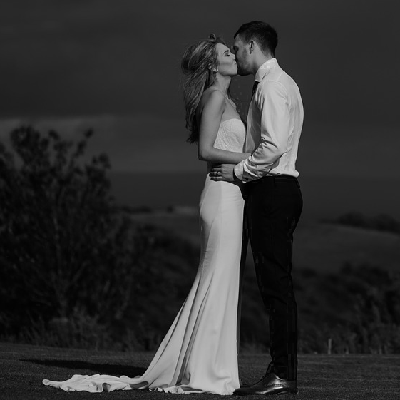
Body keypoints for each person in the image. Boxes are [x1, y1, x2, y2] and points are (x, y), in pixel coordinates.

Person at [43, 34, 250, 395]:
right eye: (226, 52)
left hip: (234, 196)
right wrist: (252, 161)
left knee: (222, 281)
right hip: (221, 197)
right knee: (216, 279)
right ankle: (206, 371)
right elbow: (205, 150)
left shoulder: (229, 98)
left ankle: (211, 367)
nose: (233, 54)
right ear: (213, 65)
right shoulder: (215, 96)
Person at [210, 21, 304, 396]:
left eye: (238, 47)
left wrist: (239, 171)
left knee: (275, 287)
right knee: (276, 285)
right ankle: (282, 370)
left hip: (272, 190)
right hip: (281, 189)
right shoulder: (288, 84)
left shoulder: (272, 87)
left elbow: (273, 146)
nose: (236, 55)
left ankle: (281, 373)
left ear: (252, 46)